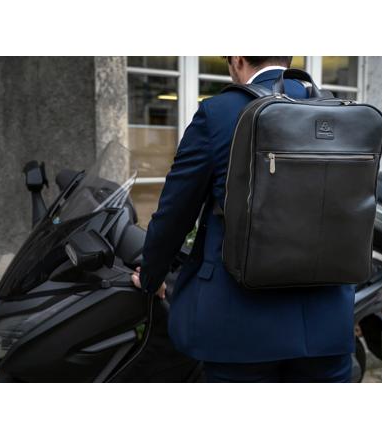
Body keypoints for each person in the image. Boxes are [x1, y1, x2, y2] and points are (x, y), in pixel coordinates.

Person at [131, 56, 355, 382]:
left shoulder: (218, 112)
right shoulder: (340, 111)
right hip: (327, 323)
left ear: (237, 58)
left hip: (239, 328)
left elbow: (175, 213)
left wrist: (151, 277)